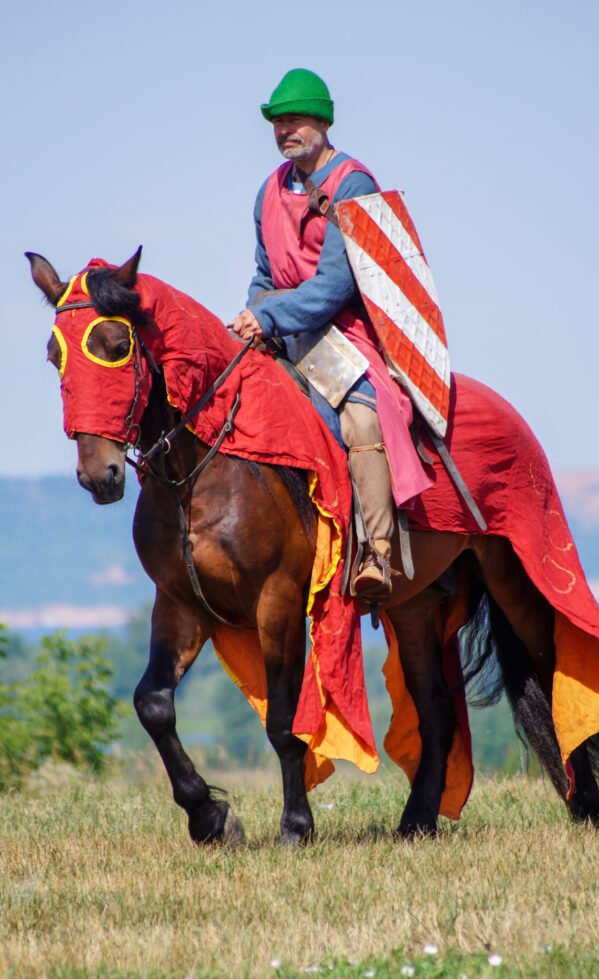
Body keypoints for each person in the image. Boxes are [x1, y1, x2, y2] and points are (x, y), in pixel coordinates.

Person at [231, 69, 430, 600]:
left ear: (322, 121)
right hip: (283, 331)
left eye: (294, 120)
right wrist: (254, 315)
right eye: (277, 122)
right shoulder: (267, 191)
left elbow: (336, 286)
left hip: (344, 331)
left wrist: (271, 316)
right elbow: (263, 276)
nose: (283, 131)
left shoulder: (353, 183)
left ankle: (376, 552)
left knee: (362, 415)